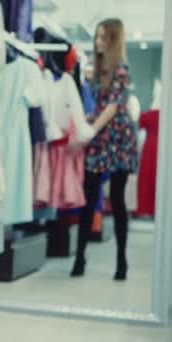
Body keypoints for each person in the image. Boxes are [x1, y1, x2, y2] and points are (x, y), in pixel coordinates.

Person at [71, 18, 138, 281]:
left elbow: (112, 108)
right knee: (89, 200)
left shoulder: (121, 69)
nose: (98, 42)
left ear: (113, 41)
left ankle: (122, 261)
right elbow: (102, 108)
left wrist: (90, 129)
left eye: (102, 38)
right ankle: (79, 258)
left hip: (118, 141)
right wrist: (87, 120)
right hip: (101, 139)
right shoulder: (98, 71)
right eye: (97, 36)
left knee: (118, 201)